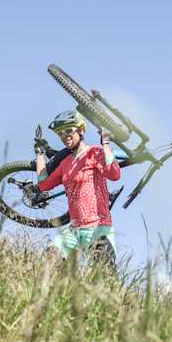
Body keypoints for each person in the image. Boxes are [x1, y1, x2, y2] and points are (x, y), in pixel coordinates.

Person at [34, 110, 121, 268]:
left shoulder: (94, 153)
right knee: (47, 264)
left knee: (106, 277)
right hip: (74, 230)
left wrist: (106, 142)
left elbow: (114, 173)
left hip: (99, 229)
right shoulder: (66, 163)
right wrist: (39, 154)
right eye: (60, 133)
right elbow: (44, 184)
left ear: (80, 130)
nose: (64, 136)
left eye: (68, 130)